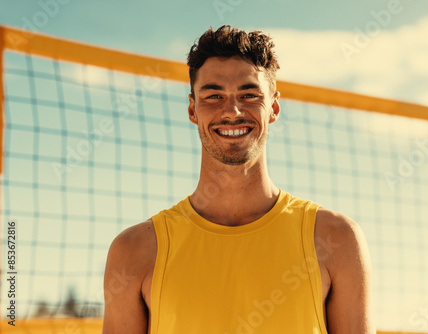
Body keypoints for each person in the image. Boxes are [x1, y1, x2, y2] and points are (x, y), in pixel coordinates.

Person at [102, 25, 375, 334]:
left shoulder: (336, 240)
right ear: (193, 109)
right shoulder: (134, 251)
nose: (232, 111)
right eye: (213, 95)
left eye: (249, 95)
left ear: (273, 107)